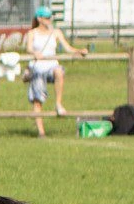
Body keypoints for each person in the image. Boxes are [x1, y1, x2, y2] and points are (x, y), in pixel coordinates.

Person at [20, 9, 85, 138]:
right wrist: (35, 53)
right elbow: (29, 48)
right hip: (38, 68)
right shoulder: (32, 33)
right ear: (39, 19)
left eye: (50, 17)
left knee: (59, 71)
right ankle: (41, 132)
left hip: (51, 66)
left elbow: (67, 48)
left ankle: (58, 103)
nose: (49, 20)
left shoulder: (56, 32)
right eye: (46, 17)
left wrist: (79, 51)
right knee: (37, 101)